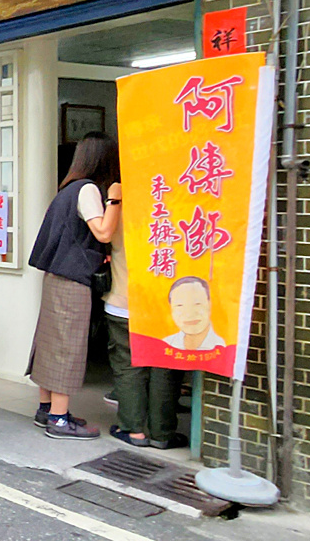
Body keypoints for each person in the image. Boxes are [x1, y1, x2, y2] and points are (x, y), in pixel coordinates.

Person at [27, 132, 122, 441]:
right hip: (72, 280)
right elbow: (104, 232)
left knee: (50, 341)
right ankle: (58, 418)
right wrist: (116, 199)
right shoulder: (89, 190)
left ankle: (45, 409)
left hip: (56, 275)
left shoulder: (68, 189)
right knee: (68, 345)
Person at [105, 189, 187, 450]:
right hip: (167, 306)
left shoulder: (119, 208)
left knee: (129, 366)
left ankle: (134, 430)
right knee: (164, 367)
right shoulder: (179, 208)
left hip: (123, 301)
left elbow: (102, 239)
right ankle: (162, 433)